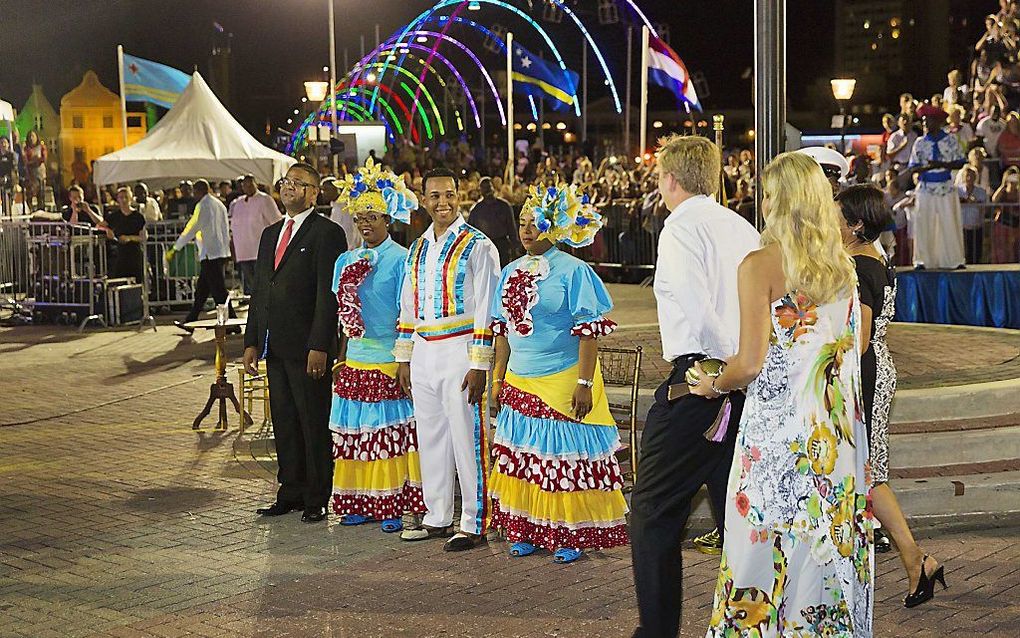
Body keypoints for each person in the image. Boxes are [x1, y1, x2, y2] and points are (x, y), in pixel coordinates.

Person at [695, 151, 873, 636]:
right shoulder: (844, 268)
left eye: (768, 194)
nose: (762, 202)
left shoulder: (759, 265)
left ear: (784, 202)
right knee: (822, 544)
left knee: (760, 544)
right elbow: (854, 347)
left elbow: (750, 363)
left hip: (777, 436)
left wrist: (714, 382)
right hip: (834, 438)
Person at [629, 135, 761, 638]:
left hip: (702, 381)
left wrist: (721, 367)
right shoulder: (740, 225)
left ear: (670, 179)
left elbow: (695, 303)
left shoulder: (680, 227)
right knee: (736, 514)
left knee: (653, 512)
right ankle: (748, 623)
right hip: (742, 382)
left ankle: (658, 631)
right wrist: (742, 366)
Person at [488, 183, 628, 564]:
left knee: (563, 460)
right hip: (520, 378)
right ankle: (530, 529)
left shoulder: (574, 271)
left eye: (535, 223)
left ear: (556, 227)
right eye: (522, 223)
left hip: (563, 378)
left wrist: (584, 383)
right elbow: (502, 330)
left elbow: (588, 332)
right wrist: (498, 378)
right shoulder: (510, 270)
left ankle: (569, 533)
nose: (526, 230)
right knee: (528, 460)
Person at [835, 184, 947, 610]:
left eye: (836, 214)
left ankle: (916, 560)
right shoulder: (875, 256)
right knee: (868, 473)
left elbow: (858, 337)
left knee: (868, 474)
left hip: (863, 372)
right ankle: (917, 562)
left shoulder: (858, 265)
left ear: (855, 224)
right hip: (876, 368)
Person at [394, 167, 500, 551]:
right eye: (435, 196)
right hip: (423, 350)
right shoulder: (417, 247)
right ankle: (436, 515)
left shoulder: (478, 244)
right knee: (432, 434)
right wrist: (404, 358)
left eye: (450, 194)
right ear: (424, 200)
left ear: (460, 195)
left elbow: (488, 306)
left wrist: (480, 363)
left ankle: (474, 520)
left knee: (467, 436)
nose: (443, 202)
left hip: (460, 350)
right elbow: (408, 304)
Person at [242, 162, 348, 523]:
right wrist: (252, 341)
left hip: (307, 348)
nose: (288, 188)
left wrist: (321, 344)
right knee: (284, 421)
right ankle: (290, 491)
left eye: (298, 183)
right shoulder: (270, 233)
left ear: (313, 193)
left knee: (312, 421)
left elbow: (326, 294)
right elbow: (260, 290)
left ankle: (317, 496)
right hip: (274, 345)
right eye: (286, 182)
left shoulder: (326, 233)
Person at [328, 158, 424, 532]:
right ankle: (362, 501)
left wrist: (405, 360)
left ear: (388, 220)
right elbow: (342, 317)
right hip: (356, 358)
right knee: (357, 436)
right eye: (360, 218)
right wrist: (341, 358)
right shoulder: (344, 260)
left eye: (374, 217)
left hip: (390, 357)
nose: (366, 224)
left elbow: (409, 313)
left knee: (389, 437)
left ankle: (393, 506)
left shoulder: (404, 259)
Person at [166, 179, 235, 332]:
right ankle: (191, 319)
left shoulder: (203, 206)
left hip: (210, 253)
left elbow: (191, 228)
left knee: (218, 291)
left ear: (199, 191)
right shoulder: (219, 204)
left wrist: (176, 248)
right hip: (220, 252)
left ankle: (232, 323)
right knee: (203, 290)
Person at [908, 104, 966, 269]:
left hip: (945, 187)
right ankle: (923, 260)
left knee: (949, 223)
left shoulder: (950, 140)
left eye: (929, 121)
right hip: (926, 187)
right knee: (923, 224)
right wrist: (929, 167)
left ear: (938, 121)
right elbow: (913, 166)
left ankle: (954, 259)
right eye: (924, 121)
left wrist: (941, 163)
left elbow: (961, 161)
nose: (925, 124)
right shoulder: (919, 143)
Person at [229, 174, 282, 296]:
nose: (247, 187)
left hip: (261, 249)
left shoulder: (265, 199)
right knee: (251, 284)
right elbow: (233, 226)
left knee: (263, 282)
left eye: (250, 184)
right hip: (244, 250)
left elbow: (276, 222)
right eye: (244, 185)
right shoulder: (237, 203)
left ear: (255, 184)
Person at [468, 176, 519, 267]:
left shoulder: (505, 206)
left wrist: (515, 248)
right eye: (484, 188)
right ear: (480, 191)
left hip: (502, 247)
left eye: (489, 186)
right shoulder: (476, 210)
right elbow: (469, 234)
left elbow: (512, 230)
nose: (487, 190)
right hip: (484, 249)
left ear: (493, 188)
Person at [102, 186, 147, 285]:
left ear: (130, 199)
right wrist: (107, 230)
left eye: (126, 197)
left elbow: (143, 237)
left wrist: (129, 238)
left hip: (134, 253)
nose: (124, 200)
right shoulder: (114, 216)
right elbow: (99, 226)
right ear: (117, 199)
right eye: (121, 197)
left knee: (137, 282)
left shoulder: (138, 217)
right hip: (119, 254)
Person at [958, 166, 990, 264]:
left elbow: (985, 206)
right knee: (964, 251)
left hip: (976, 226)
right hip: (962, 226)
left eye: (972, 176)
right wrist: (965, 200)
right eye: (967, 176)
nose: (969, 178)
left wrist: (976, 202)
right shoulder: (957, 191)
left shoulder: (981, 191)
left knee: (976, 252)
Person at [992, 165, 1020, 262]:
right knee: (1002, 250)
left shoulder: (1018, 192)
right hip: (1002, 225)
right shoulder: (1003, 192)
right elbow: (994, 199)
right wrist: (1003, 185)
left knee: (1013, 250)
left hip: (1015, 226)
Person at [22, 130, 47, 210]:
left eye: (33, 136)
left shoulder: (41, 147)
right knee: (29, 194)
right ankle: (30, 210)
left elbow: (44, 158)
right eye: (30, 136)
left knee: (41, 194)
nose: (31, 138)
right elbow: (25, 160)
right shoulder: (26, 148)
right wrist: (33, 161)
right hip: (30, 174)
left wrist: (36, 160)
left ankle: (41, 210)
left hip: (40, 173)